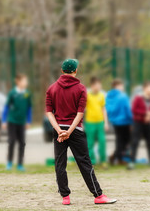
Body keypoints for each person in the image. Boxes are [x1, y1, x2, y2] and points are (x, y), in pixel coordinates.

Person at [45, 59, 116, 205]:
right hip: (75, 130)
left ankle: (65, 197)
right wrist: (69, 131)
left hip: (58, 130)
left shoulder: (51, 89)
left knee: (60, 163)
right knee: (84, 162)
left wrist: (60, 130)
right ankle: (98, 195)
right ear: (75, 71)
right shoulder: (81, 88)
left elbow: (49, 112)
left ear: (61, 70)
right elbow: (80, 113)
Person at [2, 74, 32, 172]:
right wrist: (3, 120)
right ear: (18, 81)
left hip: (22, 123)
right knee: (11, 142)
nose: (26, 83)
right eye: (24, 81)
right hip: (12, 121)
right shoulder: (12, 93)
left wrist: (28, 120)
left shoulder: (27, 93)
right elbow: (6, 107)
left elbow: (29, 108)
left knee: (22, 143)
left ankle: (20, 164)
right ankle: (9, 162)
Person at [128, 81, 150, 170]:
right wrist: (145, 113)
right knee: (135, 142)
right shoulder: (138, 98)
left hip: (148, 124)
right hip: (138, 123)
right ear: (145, 88)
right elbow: (134, 109)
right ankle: (132, 162)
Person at [106, 78, 133, 165]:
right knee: (125, 140)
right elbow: (127, 110)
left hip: (114, 122)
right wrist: (132, 121)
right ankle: (117, 157)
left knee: (119, 140)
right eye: (121, 86)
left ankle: (116, 157)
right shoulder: (123, 96)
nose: (122, 87)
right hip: (125, 121)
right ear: (118, 86)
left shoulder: (109, 96)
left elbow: (107, 109)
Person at [84, 77, 108, 167]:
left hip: (100, 122)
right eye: (97, 85)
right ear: (92, 85)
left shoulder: (101, 95)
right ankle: (91, 161)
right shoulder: (87, 95)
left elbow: (103, 109)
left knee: (102, 141)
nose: (99, 87)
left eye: (99, 85)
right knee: (90, 142)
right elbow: (83, 109)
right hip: (90, 122)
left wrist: (106, 122)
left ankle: (103, 160)